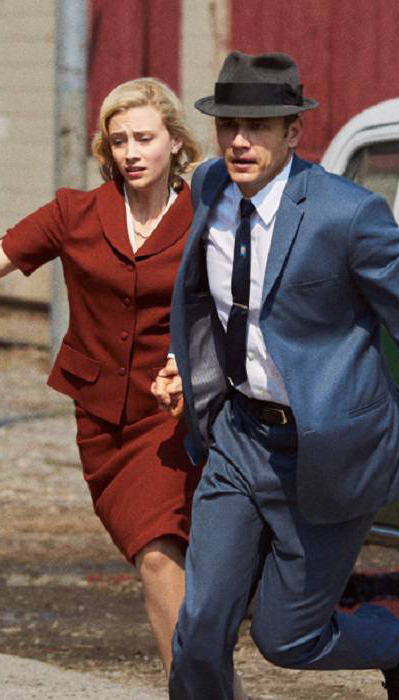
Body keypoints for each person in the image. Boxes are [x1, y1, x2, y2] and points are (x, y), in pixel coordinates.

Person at [154, 52, 399, 699]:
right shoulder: (209, 186)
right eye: (228, 125)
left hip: (331, 451)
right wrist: (186, 368)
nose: (240, 141)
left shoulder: (348, 214)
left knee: (287, 639)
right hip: (239, 439)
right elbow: (209, 301)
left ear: (293, 131)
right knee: (199, 626)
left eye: (258, 126)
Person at [0, 77, 248, 699]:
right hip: (102, 424)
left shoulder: (207, 218)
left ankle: (195, 690)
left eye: (144, 138)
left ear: (174, 142)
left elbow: (237, 310)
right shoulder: (75, 213)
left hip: (173, 418)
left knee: (160, 554)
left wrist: (198, 369)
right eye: (119, 141)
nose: (132, 152)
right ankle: (215, 686)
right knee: (163, 556)